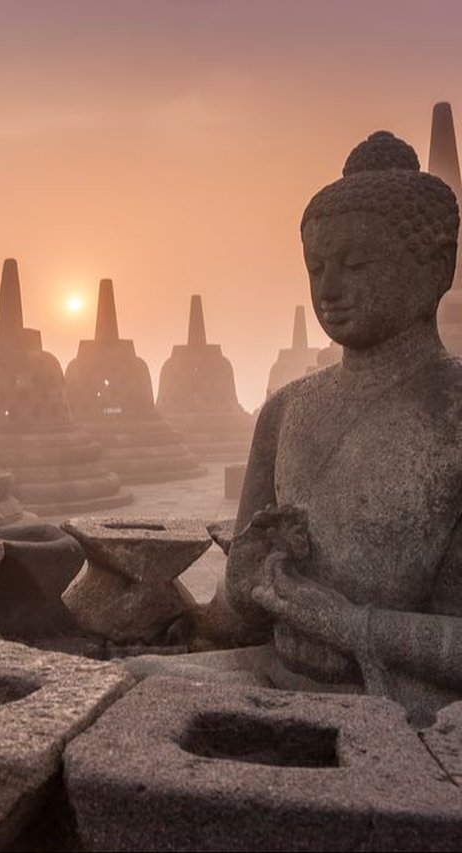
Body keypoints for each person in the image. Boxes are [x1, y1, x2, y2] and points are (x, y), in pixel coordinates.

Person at [132, 131, 462, 725]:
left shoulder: (455, 412)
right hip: (276, 669)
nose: (328, 291)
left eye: (358, 265)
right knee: (132, 685)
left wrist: (340, 622)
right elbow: (236, 619)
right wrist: (243, 582)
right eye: (316, 268)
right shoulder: (285, 411)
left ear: (437, 267)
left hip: (403, 700)